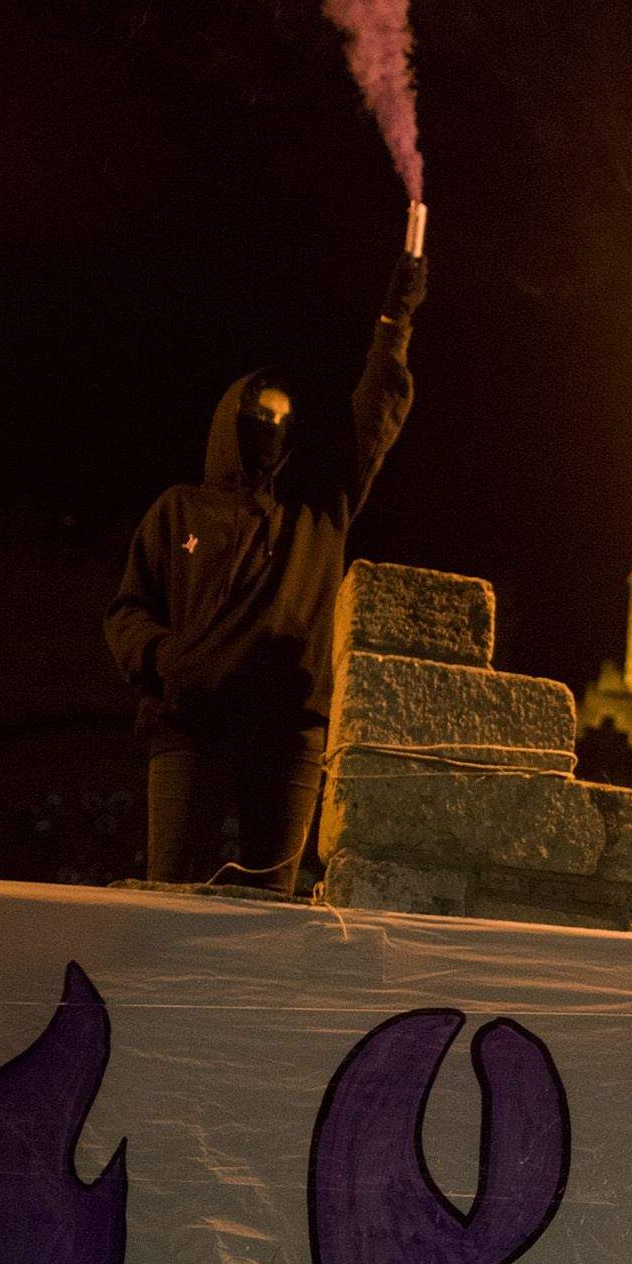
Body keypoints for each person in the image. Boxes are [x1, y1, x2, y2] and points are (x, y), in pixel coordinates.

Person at [104, 246, 428, 893]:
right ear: (233, 420)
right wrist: (169, 661)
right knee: (169, 897)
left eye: (284, 420)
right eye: (260, 416)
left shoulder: (318, 510)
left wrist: (394, 323)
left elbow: (374, 415)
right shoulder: (179, 511)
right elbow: (128, 611)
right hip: (191, 726)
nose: (271, 428)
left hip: (287, 736)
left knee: (268, 918)